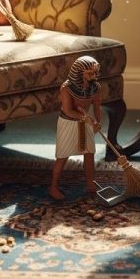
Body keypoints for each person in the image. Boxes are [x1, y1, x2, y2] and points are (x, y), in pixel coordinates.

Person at [48, 56, 103, 200]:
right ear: (79, 73)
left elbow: (97, 106)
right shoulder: (67, 88)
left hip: (87, 122)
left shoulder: (95, 87)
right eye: (90, 73)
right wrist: (86, 119)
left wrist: (97, 121)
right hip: (68, 123)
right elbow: (68, 110)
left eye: (95, 73)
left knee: (89, 153)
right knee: (63, 156)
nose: (94, 76)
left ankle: (91, 184)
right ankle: (53, 187)